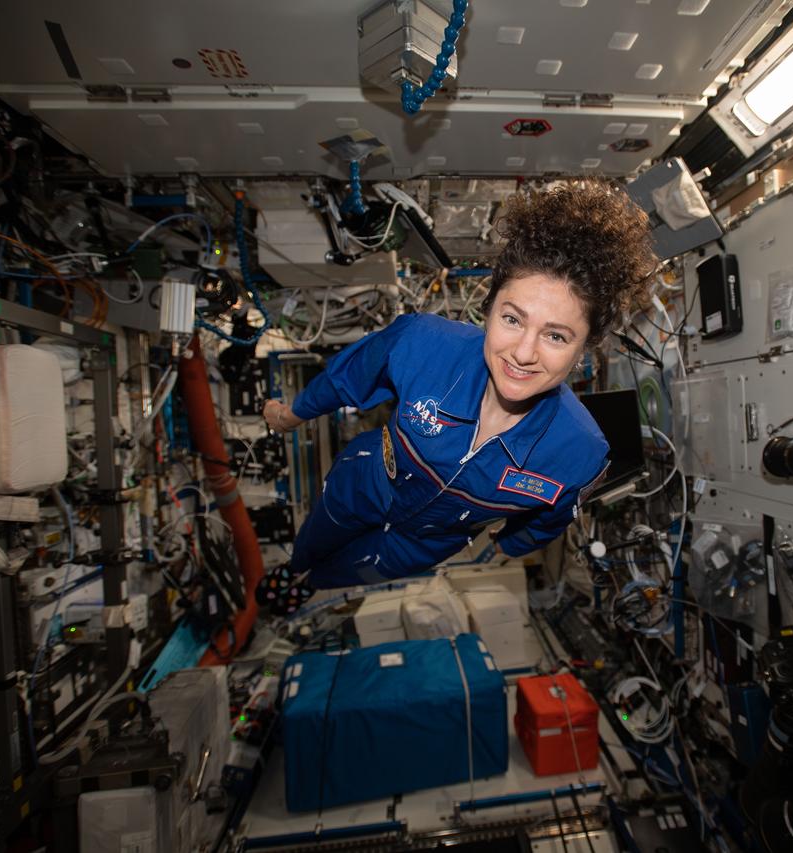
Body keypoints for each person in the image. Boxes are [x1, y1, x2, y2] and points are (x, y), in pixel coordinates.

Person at [258, 182, 657, 613]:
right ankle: (295, 567)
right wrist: (291, 416)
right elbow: (347, 376)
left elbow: (550, 519)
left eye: (556, 335)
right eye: (512, 319)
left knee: (350, 572)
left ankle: (313, 584)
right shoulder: (422, 342)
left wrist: (510, 545)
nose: (523, 353)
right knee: (317, 538)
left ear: (584, 349)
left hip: (422, 545)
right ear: (488, 309)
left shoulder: (581, 453)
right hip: (362, 486)